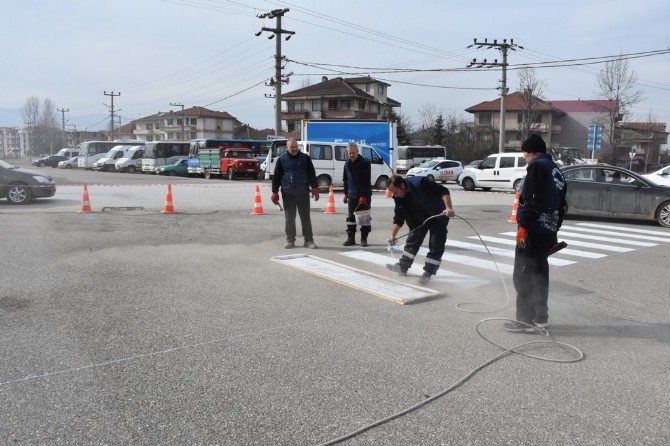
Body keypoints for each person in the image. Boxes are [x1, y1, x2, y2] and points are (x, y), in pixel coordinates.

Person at [504, 134, 567, 333]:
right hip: (547, 230)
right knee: (539, 274)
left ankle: (525, 320)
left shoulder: (537, 166)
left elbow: (531, 199)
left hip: (533, 231)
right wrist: (554, 230)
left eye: (524, 152)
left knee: (523, 275)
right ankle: (541, 318)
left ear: (532, 152)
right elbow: (561, 204)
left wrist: (523, 227)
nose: (524, 157)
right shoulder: (556, 169)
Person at [385, 174, 455, 285]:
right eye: (393, 193)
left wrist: (449, 208)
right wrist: (392, 234)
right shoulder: (398, 197)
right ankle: (403, 267)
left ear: (402, 186)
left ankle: (428, 273)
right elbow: (399, 217)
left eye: (396, 192)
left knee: (436, 244)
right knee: (412, 242)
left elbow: (443, 190)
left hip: (436, 215)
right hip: (418, 219)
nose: (395, 196)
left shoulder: (421, 183)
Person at [271, 138, 320, 249]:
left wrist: (315, 188)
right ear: (287, 148)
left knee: (305, 218)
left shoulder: (305, 158)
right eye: (292, 147)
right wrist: (274, 191)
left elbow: (312, 174)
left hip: (303, 193)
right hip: (288, 194)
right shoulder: (281, 159)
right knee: (289, 218)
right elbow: (276, 177)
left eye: (296, 147)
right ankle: (290, 240)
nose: (294, 149)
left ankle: (308, 240)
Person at [342, 142, 372, 247]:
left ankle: (364, 239)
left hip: (363, 195)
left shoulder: (365, 163)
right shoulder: (347, 164)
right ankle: (351, 239)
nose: (351, 155)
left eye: (353, 153)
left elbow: (366, 180)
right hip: (352, 195)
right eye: (349, 153)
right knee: (351, 218)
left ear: (357, 152)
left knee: (363, 217)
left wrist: (363, 195)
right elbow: (345, 180)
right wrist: (346, 193)